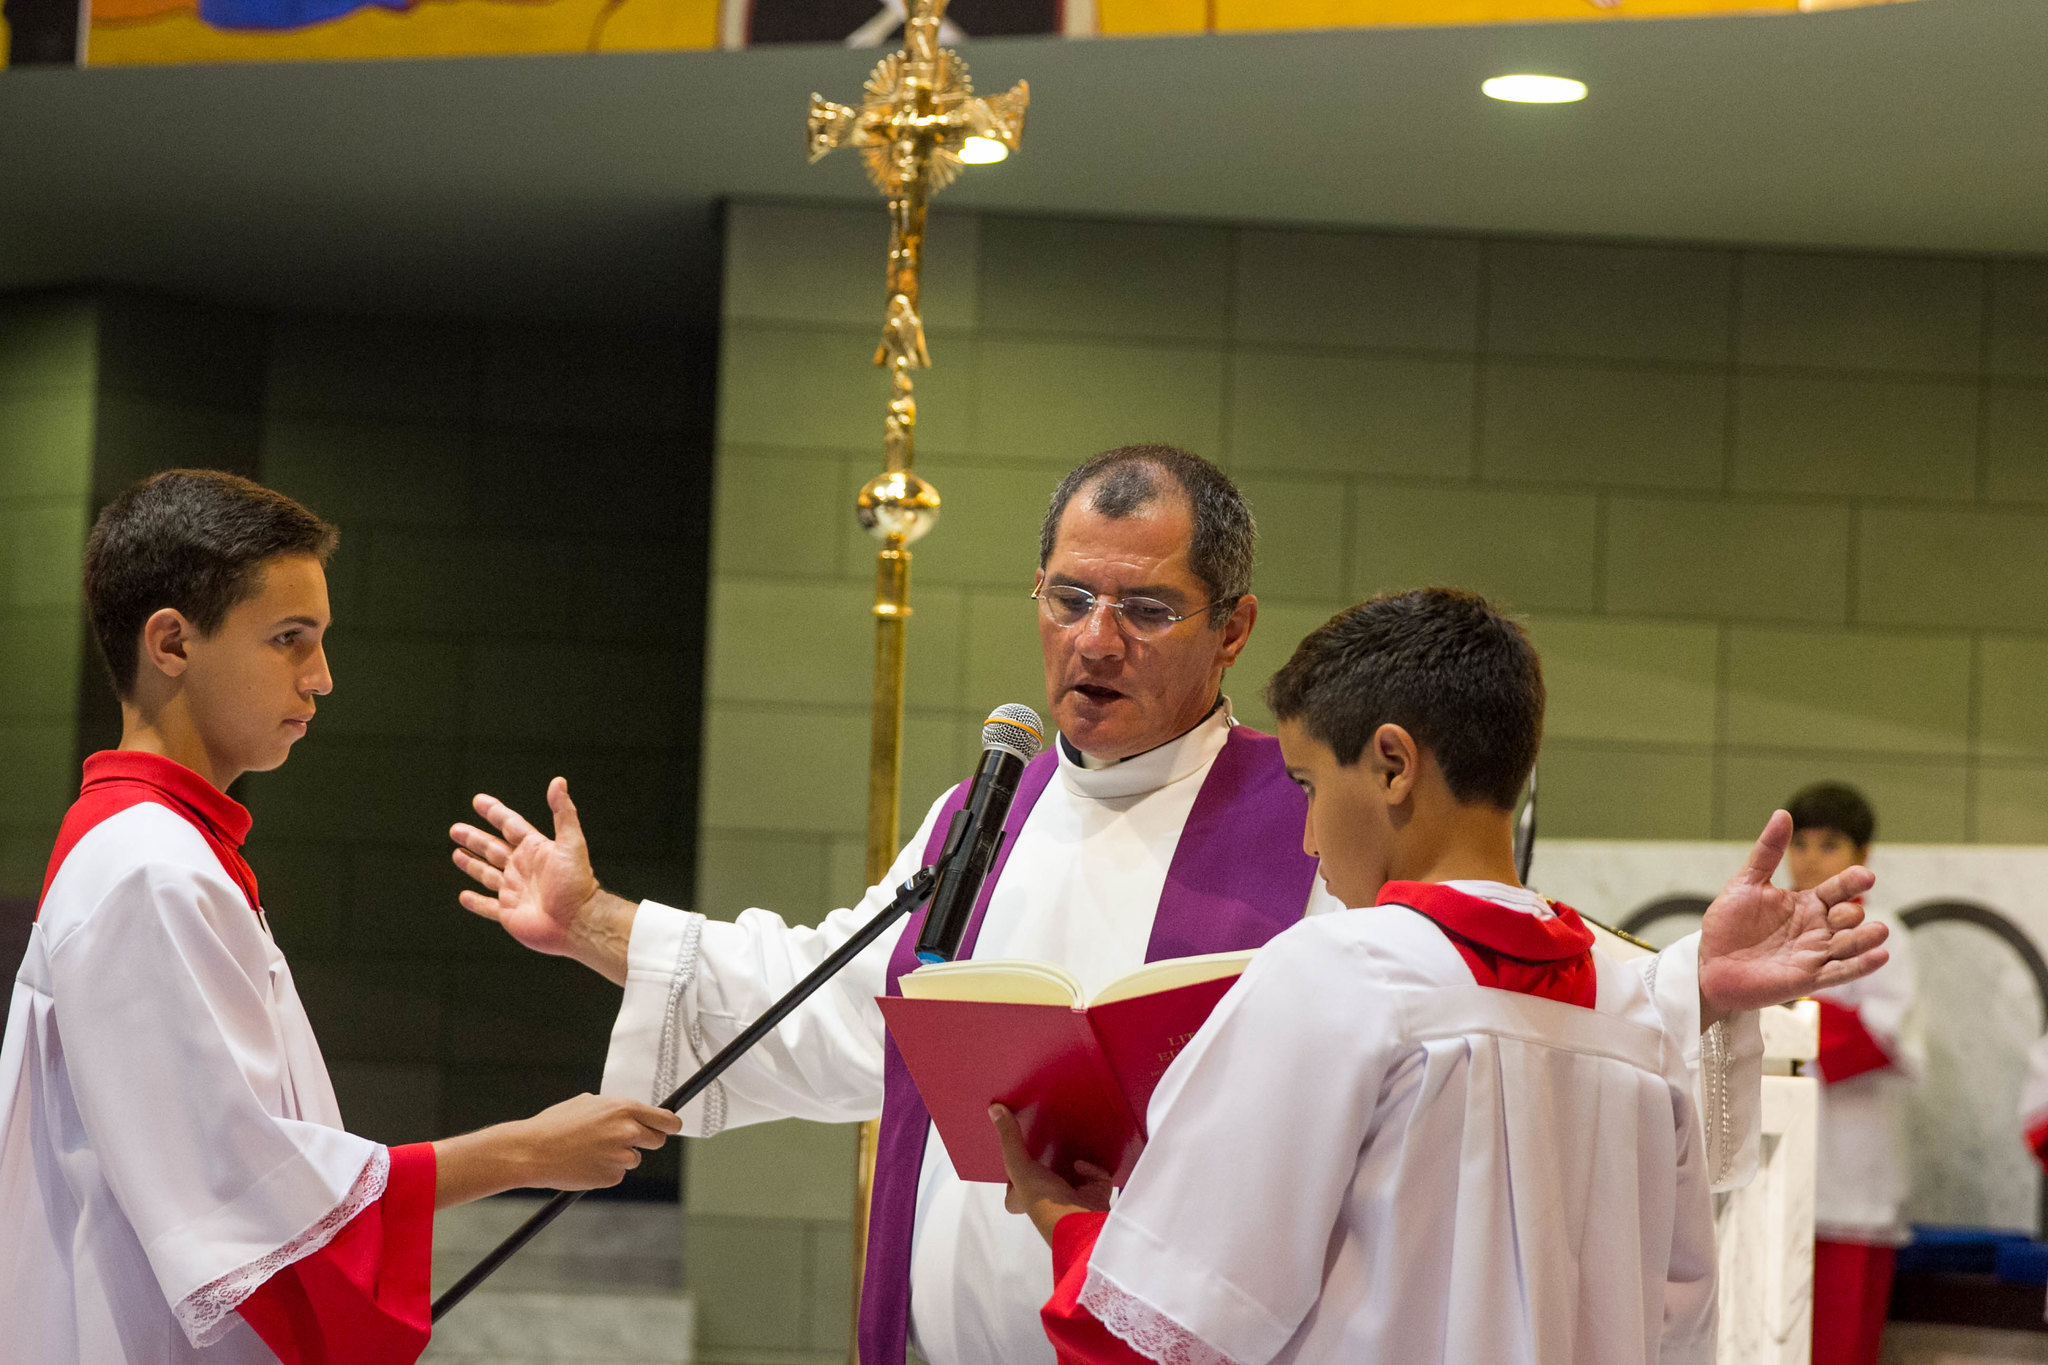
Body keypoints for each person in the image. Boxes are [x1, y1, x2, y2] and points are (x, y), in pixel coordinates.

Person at [450, 445, 1885, 1365]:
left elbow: (1489, 1039)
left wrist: (1689, 982)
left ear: (1232, 628)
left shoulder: (1317, 813)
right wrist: (595, 921)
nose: (1094, 642)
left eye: (1143, 610)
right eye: (1070, 599)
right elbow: (842, 1003)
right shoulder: (984, 811)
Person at [991, 589, 1887, 1365]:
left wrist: (1059, 1213)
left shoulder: (1336, 976)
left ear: (1391, 763)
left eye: (1307, 786)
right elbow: (1680, 1320)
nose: (1306, 837)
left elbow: (1162, 1332)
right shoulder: (1632, 1015)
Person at [0, 470, 683, 1365]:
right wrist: (524, 1151)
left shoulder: (163, 851)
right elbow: (237, 1189)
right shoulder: (147, 870)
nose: (321, 679)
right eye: (290, 640)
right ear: (171, 641)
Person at [1786, 783, 1921, 1365]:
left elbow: (1886, 1035)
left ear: (1864, 856)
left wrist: (1789, 1017)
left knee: (1843, 1341)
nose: (1811, 857)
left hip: (1853, 1161)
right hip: (1782, 1157)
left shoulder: (1881, 930)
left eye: (1830, 844)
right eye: (1801, 843)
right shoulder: (1769, 924)